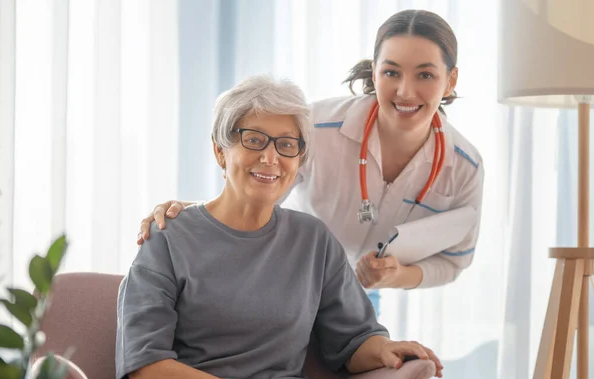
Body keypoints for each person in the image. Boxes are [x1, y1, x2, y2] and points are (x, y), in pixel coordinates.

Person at [104, 75, 442, 379]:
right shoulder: (168, 236)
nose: (270, 157)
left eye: (286, 145)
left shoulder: (313, 241)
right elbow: (146, 367)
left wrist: (383, 350)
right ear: (220, 150)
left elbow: (353, 339)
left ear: (299, 159)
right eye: (253, 140)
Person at [137, 9, 484, 315]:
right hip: (284, 281)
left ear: (450, 81)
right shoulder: (316, 127)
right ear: (374, 73)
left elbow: (454, 262)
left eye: (425, 75)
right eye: (391, 72)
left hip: (359, 298)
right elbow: (254, 193)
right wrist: (193, 214)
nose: (405, 91)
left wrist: (397, 275)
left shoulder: (465, 167)